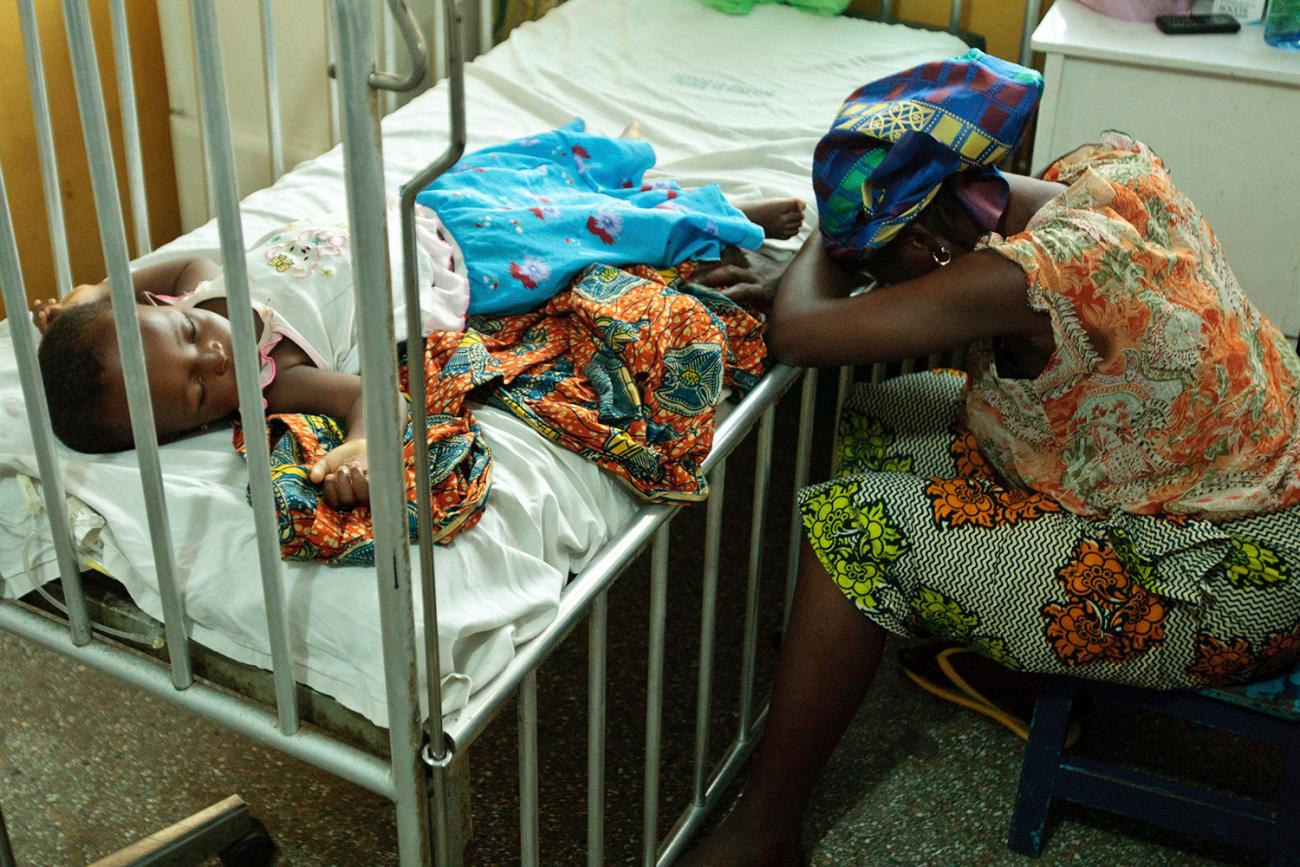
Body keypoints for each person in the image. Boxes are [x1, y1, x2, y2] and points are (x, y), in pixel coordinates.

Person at [683, 49, 1300, 866]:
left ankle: (765, 831)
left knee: (853, 532)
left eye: (878, 260)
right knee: (883, 410)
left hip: (1233, 572)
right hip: (1212, 474)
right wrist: (869, 239)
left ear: (936, 237)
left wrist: (826, 240)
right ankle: (927, 643)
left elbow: (800, 332)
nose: (871, 278)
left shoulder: (1024, 274)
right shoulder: (1102, 169)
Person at [33, 120, 804, 510]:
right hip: (472, 269)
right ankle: (721, 216)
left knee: (527, 165)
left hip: (424, 209)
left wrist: (95, 292)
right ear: (190, 426)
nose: (217, 357)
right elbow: (374, 397)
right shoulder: (282, 377)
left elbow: (155, 271)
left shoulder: (203, 278)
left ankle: (629, 162)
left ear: (163, 309)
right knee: (591, 236)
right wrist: (355, 452)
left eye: (190, 337)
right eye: (200, 391)